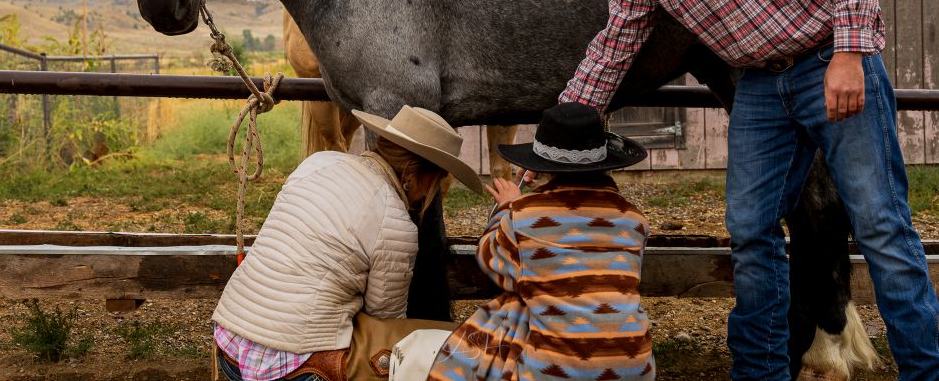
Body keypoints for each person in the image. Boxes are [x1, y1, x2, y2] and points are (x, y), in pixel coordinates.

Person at [552, 0, 939, 381]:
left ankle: (929, 374)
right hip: (760, 87)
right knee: (749, 229)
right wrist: (557, 139)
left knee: (880, 225)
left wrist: (849, 54)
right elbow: (612, 48)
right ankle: (762, 373)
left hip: (827, 62)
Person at [212, 105, 483, 381]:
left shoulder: (318, 162)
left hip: (231, 344)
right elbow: (384, 321)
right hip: (296, 366)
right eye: (435, 182)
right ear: (415, 176)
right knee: (411, 350)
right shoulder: (397, 223)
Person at [392, 102, 655, 381]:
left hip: (554, 371)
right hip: (636, 366)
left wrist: (506, 208)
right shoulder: (634, 219)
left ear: (543, 169)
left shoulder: (524, 216)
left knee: (517, 301)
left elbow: (492, 262)